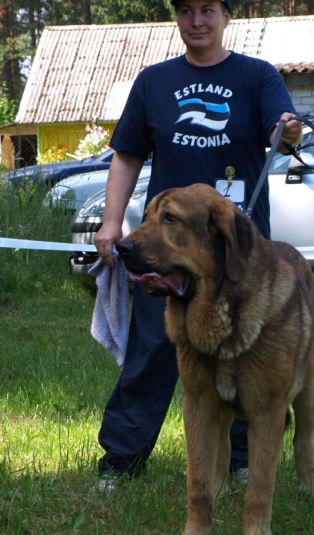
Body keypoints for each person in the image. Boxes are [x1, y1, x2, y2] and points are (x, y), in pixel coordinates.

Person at [93, 0, 303, 488]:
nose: (197, 21)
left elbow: (282, 130)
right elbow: (126, 156)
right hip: (164, 252)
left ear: (226, 16)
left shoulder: (257, 76)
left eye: (208, 9)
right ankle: (122, 459)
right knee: (151, 351)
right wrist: (110, 223)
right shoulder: (153, 82)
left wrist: (287, 131)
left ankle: (245, 459)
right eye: (186, 10)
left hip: (236, 253)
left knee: (251, 355)